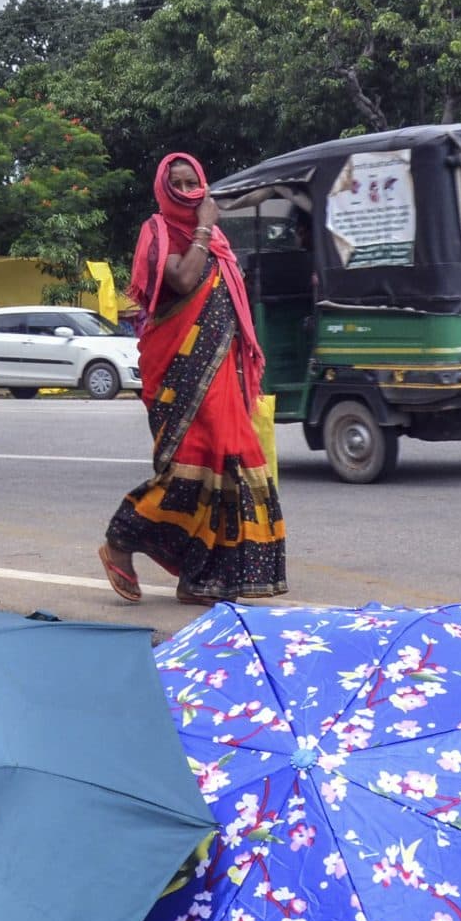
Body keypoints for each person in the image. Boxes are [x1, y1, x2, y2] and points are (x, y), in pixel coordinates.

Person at [98, 153, 287, 605]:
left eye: (193, 182)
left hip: (223, 372)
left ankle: (202, 578)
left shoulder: (217, 239)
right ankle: (119, 542)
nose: (188, 191)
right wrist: (203, 225)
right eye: (178, 184)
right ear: (164, 190)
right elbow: (183, 280)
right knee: (190, 471)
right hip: (178, 374)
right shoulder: (157, 233)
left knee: (230, 465)